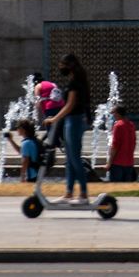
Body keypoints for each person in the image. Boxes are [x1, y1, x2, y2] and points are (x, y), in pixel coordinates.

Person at [47, 53, 93, 203]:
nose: (60, 67)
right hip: (72, 121)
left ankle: (84, 194)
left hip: (73, 122)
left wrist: (54, 118)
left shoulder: (74, 84)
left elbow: (70, 105)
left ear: (70, 65)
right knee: (70, 158)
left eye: (62, 64)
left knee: (74, 159)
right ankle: (68, 193)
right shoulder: (78, 81)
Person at [107, 104, 138, 182]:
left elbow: (115, 145)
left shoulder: (118, 125)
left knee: (115, 187)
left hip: (117, 163)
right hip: (129, 162)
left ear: (117, 113)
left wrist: (109, 163)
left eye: (113, 112)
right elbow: (133, 143)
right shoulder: (131, 125)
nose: (112, 115)